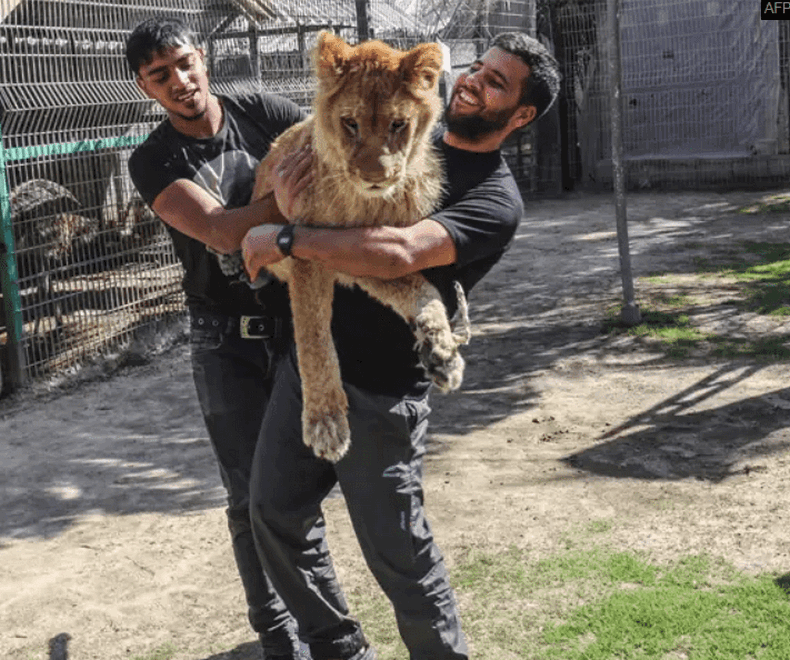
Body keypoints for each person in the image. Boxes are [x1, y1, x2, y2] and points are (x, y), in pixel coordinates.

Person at [240, 32, 561, 660]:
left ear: (520, 116)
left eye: (497, 83)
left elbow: (396, 253)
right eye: (479, 69)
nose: (472, 81)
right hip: (308, 372)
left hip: (384, 390)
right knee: (272, 515)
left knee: (401, 559)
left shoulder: (496, 198)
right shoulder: (406, 116)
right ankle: (339, 647)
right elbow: (330, 125)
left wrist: (288, 237)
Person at [124, 16, 309, 660]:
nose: (179, 81)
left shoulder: (260, 109)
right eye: (159, 74)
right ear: (145, 88)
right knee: (247, 494)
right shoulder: (152, 159)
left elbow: (329, 154)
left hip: (296, 319)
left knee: (299, 486)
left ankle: (318, 622)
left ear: (203, 58)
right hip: (223, 337)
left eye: (183, 63)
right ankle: (277, 631)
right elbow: (223, 233)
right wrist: (292, 199)